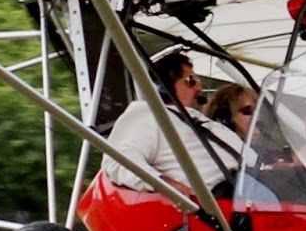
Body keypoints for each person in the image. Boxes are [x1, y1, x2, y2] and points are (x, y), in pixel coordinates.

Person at [99, 53, 241, 197]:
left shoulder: (204, 122)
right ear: (163, 87)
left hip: (250, 187)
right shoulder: (148, 114)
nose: (199, 88)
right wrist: (168, 186)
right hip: (222, 201)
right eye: (191, 80)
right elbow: (118, 161)